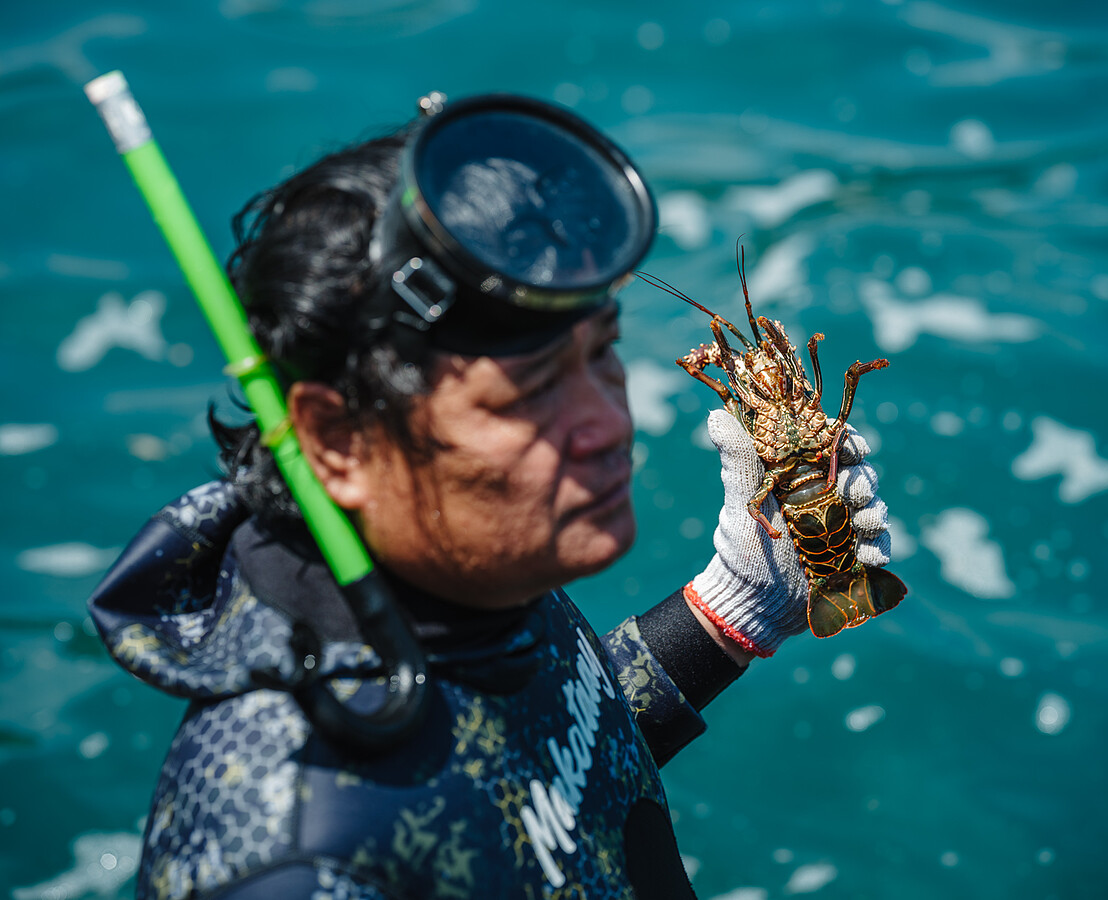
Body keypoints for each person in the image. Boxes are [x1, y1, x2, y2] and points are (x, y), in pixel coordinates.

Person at [88, 93, 893, 900]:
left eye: (603, 351)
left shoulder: (461, 581)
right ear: (337, 441)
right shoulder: (296, 866)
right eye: (528, 393)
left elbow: (525, 781)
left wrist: (731, 609)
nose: (607, 420)